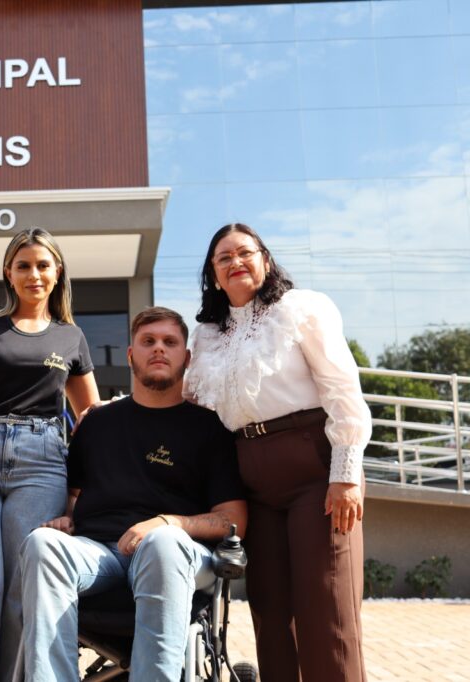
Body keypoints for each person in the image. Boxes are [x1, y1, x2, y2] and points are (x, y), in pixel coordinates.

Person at [19, 307, 247, 682]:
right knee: (42, 543)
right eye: (148, 342)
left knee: (163, 543)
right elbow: (75, 493)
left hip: (177, 554)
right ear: (131, 355)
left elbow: (233, 518)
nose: (159, 349)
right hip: (99, 555)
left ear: (185, 357)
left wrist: (167, 522)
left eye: (169, 342)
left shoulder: (209, 429)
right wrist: (68, 516)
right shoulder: (97, 423)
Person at [185, 223, 372, 682]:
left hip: (315, 469)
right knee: (269, 613)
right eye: (223, 258)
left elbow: (341, 387)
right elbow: (188, 404)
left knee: (325, 609)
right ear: (213, 273)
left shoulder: (302, 308)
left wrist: (346, 474)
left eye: (245, 253)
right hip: (250, 483)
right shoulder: (206, 334)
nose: (235, 262)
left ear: (265, 260)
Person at [0, 227, 100, 681]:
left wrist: (81, 491)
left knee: (19, 597)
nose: (34, 274)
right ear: (8, 272)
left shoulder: (71, 337)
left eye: (43, 265)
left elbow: (89, 417)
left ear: (57, 272)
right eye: (23, 265)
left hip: (42, 463)